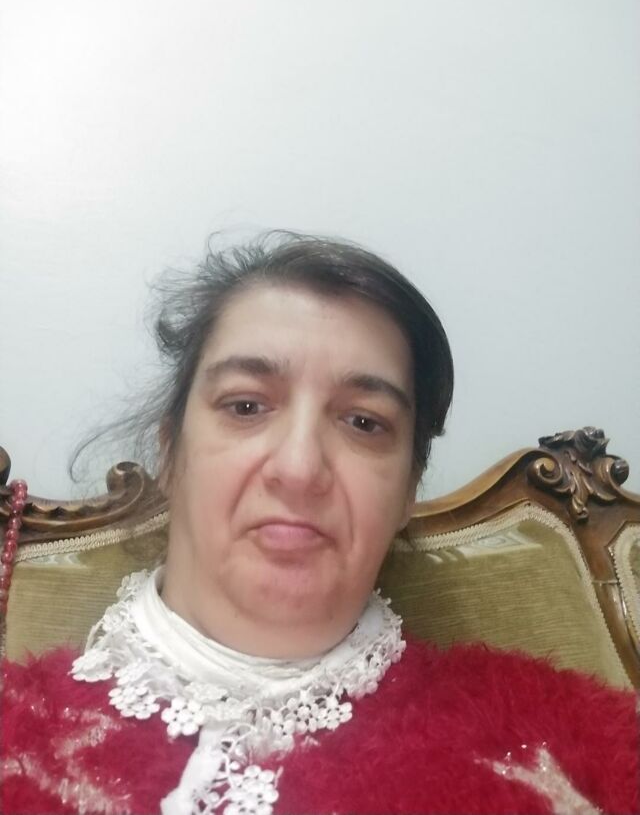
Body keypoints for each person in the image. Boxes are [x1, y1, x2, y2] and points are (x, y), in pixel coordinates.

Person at [1, 233, 638, 815]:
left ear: (407, 491)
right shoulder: (16, 728)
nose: (300, 469)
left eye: (364, 422)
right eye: (246, 406)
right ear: (170, 453)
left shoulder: (568, 738)